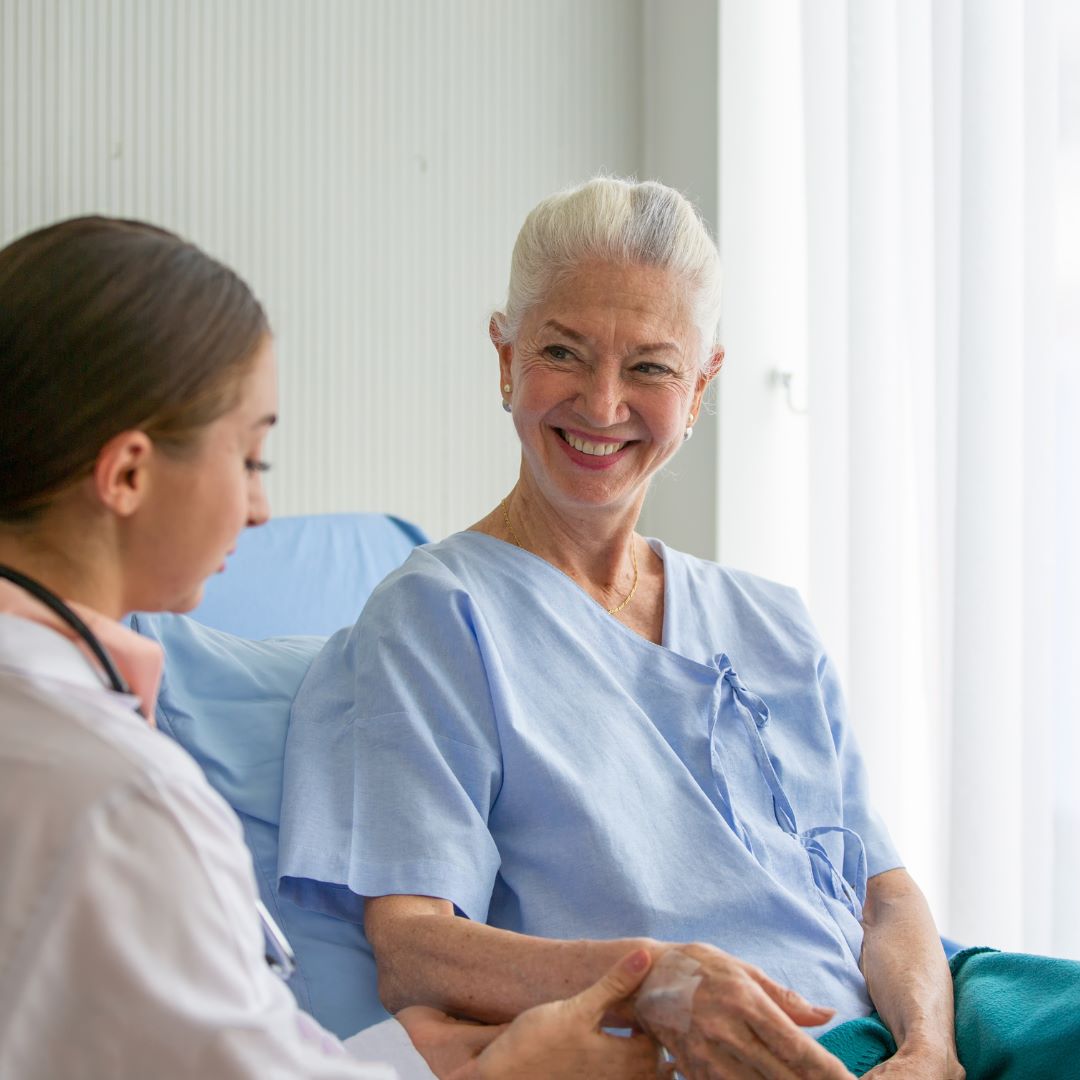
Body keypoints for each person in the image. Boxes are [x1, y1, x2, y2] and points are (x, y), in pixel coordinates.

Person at [276, 177, 978, 1079]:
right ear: (505, 358)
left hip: (906, 1039)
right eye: (564, 353)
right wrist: (653, 978)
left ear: (700, 387)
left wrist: (930, 1047)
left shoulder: (771, 620)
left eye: (649, 366)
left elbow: (884, 897)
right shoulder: (440, 615)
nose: (603, 406)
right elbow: (414, 946)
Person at [0, 216, 664, 1080]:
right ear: (128, 474)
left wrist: (405, 1058)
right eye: (251, 456)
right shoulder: (125, 798)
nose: (259, 508)